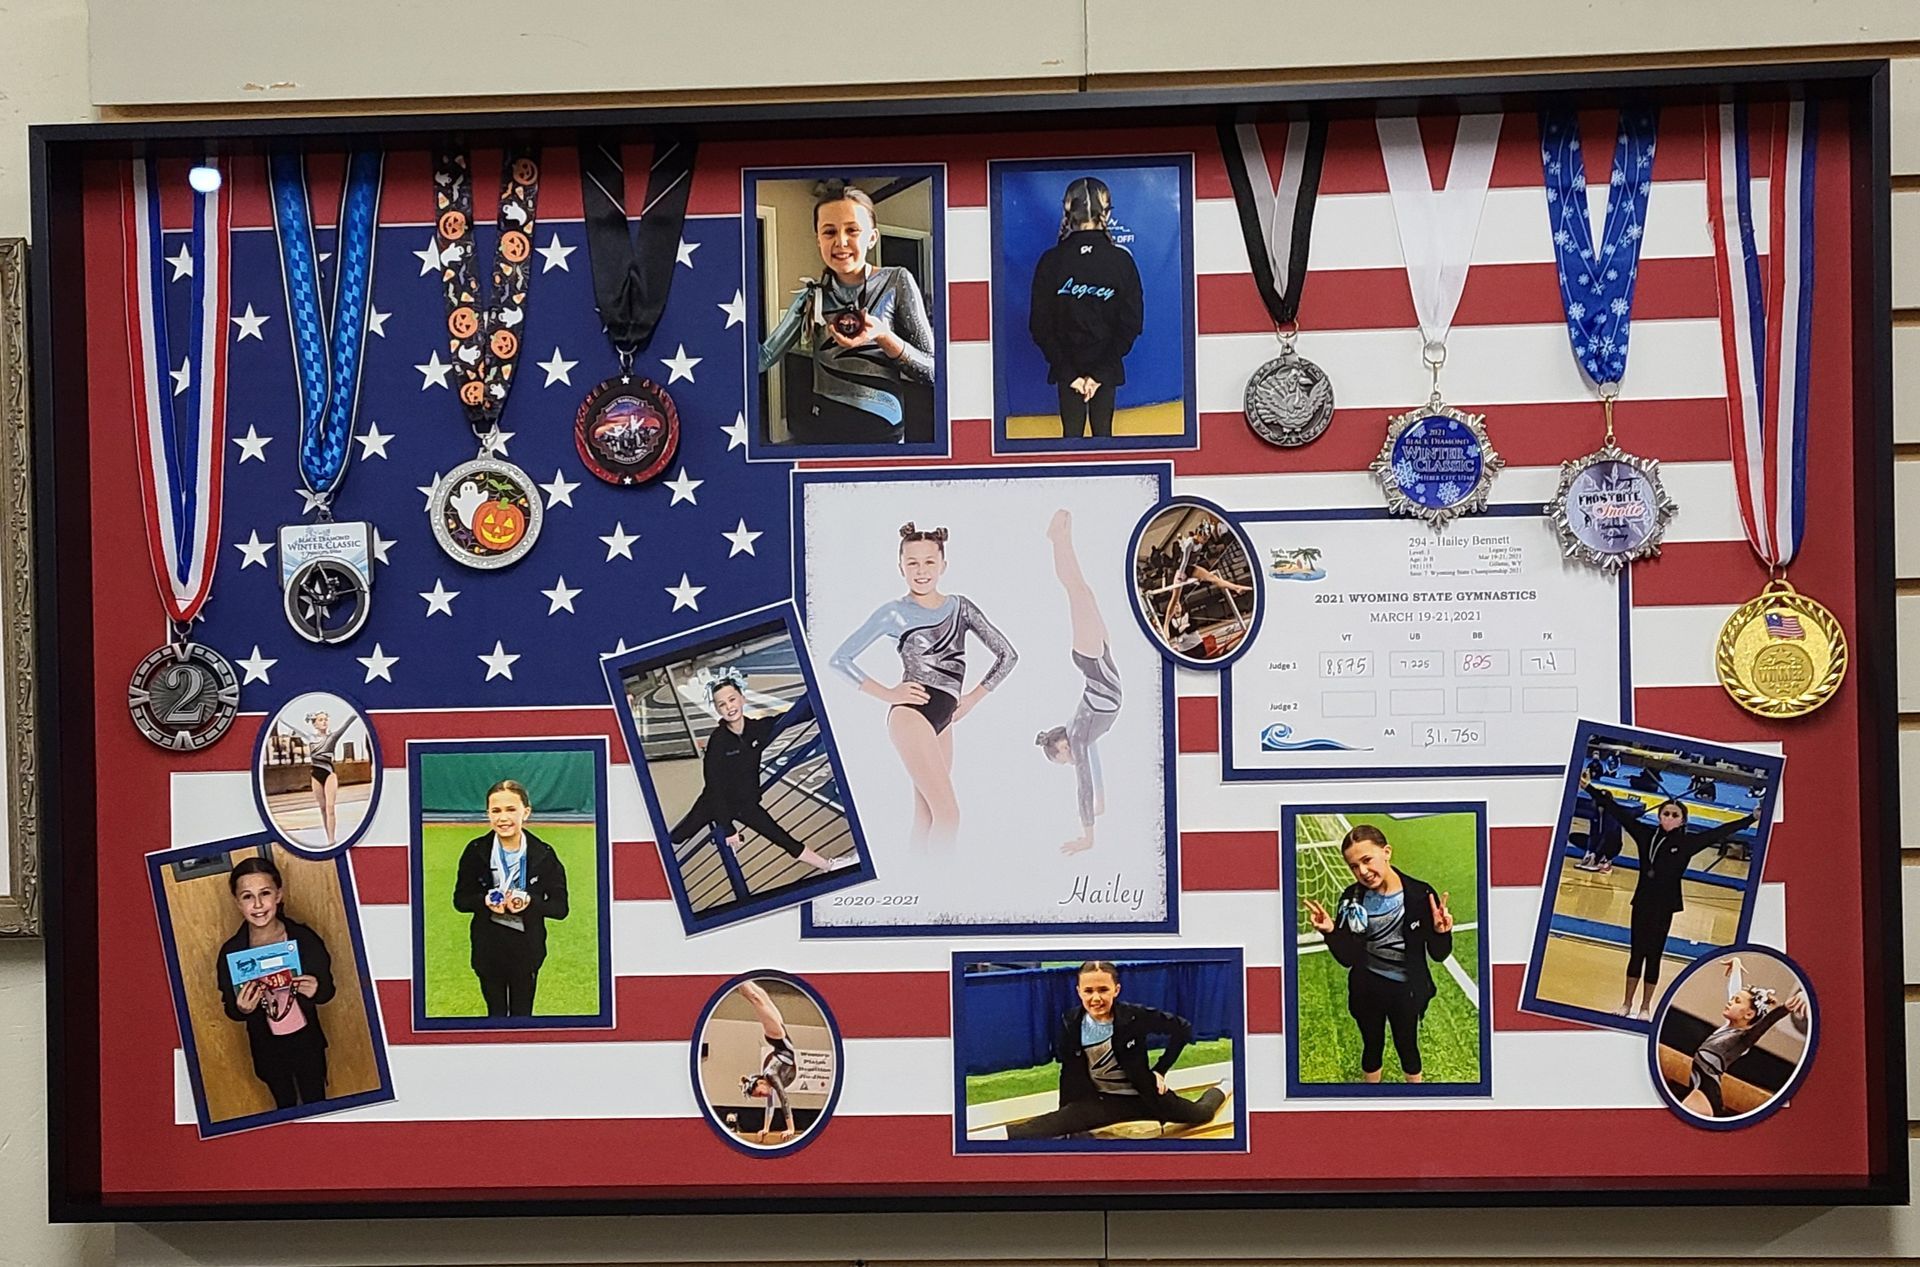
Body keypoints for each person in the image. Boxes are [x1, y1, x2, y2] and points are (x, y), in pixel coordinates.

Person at [830, 523, 1017, 845]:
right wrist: (889, 693)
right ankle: (942, 874)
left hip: (944, 721)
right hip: (911, 716)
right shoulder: (893, 613)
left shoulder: (961, 607)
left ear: (943, 564)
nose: (921, 570)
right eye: (912, 562)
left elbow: (1008, 655)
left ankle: (915, 871)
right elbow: (840, 660)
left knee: (928, 816)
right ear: (900, 566)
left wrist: (972, 698)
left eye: (929, 561)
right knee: (949, 815)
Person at [758, 185, 936, 446]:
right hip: (824, 431)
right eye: (829, 232)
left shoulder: (897, 281)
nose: (840, 242)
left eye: (852, 230)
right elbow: (762, 358)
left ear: (872, 238)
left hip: (884, 433)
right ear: (818, 240)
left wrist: (884, 336)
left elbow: (932, 371)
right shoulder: (812, 297)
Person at [978, 961, 1230, 1140]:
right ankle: (983, 1138)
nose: (1095, 998)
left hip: (1145, 1097)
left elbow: (1182, 1029)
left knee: (1202, 1114)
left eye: (1103, 990)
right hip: (1102, 1102)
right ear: (1078, 992)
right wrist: (1067, 1112)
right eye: (1088, 991)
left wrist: (1160, 1071)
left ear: (1116, 990)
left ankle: (1225, 1086)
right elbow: (1069, 1071)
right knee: (1046, 1126)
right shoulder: (1071, 1022)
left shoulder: (1134, 1016)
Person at [1581, 769, 1758, 1020]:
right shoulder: (1645, 835)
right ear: (1659, 816)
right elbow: (1617, 811)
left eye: (1675, 815)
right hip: (1642, 901)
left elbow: (1720, 832)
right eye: (1666, 813)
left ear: (1683, 821)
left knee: (1653, 956)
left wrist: (1751, 818)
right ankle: (1626, 1003)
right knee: (1636, 954)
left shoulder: (1687, 843)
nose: (1669, 818)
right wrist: (1588, 787)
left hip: (1664, 906)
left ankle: (1645, 1008)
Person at [1302, 824, 1456, 1085]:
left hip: (1405, 992)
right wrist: (1331, 932)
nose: (1362, 871)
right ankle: (1370, 1100)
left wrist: (1442, 932)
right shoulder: (1351, 898)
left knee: (1408, 1048)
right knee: (1372, 1047)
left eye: (1367, 860)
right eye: (1354, 866)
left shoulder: (1420, 895)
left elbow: (1439, 955)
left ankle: (1416, 1101)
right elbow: (1347, 958)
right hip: (1367, 991)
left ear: (1387, 852)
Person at [666, 678, 852, 873]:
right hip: (713, 803)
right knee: (679, 836)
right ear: (718, 710)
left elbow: (791, 717)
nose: (729, 707)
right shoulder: (718, 741)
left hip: (746, 805)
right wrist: (728, 829)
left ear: (742, 699)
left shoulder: (757, 729)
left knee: (782, 838)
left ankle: (828, 866)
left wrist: (829, 698)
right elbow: (714, 787)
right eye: (722, 704)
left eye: (732, 699)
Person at [1026, 177, 1144, 439]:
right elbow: (1131, 324)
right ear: (1106, 213)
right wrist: (1100, 374)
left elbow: (1039, 326)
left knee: (1071, 442)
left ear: (1067, 212)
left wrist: (1070, 374)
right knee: (1104, 439)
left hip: (1067, 368)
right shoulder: (1121, 261)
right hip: (1105, 368)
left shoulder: (1051, 261)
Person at [215, 855, 335, 1109]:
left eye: (265, 893)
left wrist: (317, 989)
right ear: (237, 902)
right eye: (247, 896)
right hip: (267, 1049)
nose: (258, 904)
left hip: (307, 1044)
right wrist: (242, 1008)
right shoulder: (231, 952)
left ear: (278, 895)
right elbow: (231, 1008)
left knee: (316, 1102)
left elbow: (327, 991)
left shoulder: (303, 939)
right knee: (284, 1106)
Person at [1034, 510, 1122, 855]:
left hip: (1092, 662)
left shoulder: (1078, 735)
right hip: (1102, 660)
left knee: (1075, 591)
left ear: (1062, 747)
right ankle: (1062, 539)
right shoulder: (1083, 735)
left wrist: (1088, 836)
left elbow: (1082, 782)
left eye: (1065, 760)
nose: (1072, 762)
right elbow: (1094, 767)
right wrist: (1103, 799)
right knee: (1083, 590)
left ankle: (1058, 539)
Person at [451, 779, 571, 1018]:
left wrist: (530, 902)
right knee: (495, 1014)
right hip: (488, 950)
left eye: (511, 809)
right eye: (496, 811)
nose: (503, 818)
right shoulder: (475, 850)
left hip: (527, 950)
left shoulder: (544, 854)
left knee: (522, 1015)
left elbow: (560, 908)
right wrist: (485, 901)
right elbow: (461, 900)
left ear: (525, 812)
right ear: (488, 814)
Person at [1675, 956, 1808, 1118]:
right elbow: (1733, 989)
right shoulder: (1727, 1028)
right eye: (1732, 1000)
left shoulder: (1742, 1039)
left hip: (1705, 1096)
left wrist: (1788, 1006)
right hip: (1698, 1092)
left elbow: (1766, 1023)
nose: (1730, 1002)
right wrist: (1736, 965)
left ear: (1749, 1014)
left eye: (1736, 1001)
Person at [733, 980, 802, 1144]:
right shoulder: (770, 1082)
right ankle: (744, 980)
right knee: (760, 997)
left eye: (759, 1093)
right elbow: (771, 1105)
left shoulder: (770, 1075)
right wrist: (766, 1128)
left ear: (759, 1083)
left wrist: (791, 1128)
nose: (762, 1096)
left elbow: (783, 1098)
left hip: (777, 1038)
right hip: (782, 1036)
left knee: (756, 999)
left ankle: (738, 978)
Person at [304, 710, 344, 850]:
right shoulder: (310, 738)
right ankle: (328, 837)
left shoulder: (332, 737)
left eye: (326, 719)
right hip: (316, 774)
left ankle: (332, 840)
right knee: (322, 808)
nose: (324, 722)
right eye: (320, 720)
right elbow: (291, 726)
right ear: (315, 724)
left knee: (330, 807)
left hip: (329, 774)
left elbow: (347, 724)